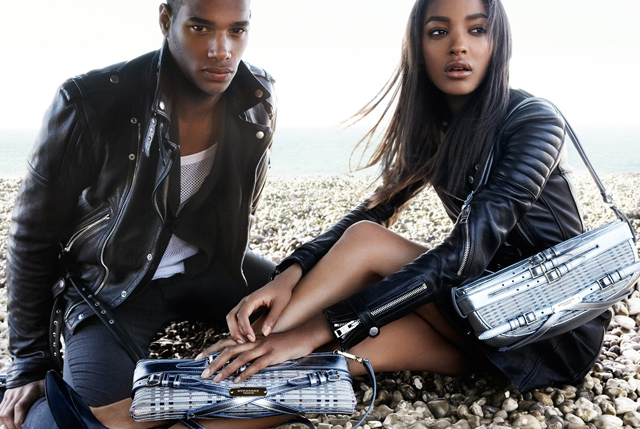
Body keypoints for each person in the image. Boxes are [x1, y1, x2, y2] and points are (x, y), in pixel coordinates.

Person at [199, 0, 611, 407]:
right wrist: (289, 273)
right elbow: (375, 209)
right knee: (305, 367)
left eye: (477, 29)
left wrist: (319, 328)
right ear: (418, 46)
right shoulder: (437, 127)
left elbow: (466, 253)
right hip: (478, 326)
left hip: (551, 329)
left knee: (362, 252)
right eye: (439, 31)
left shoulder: (535, 120)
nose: (458, 45)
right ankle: (195, 389)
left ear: (498, 42)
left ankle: (251, 344)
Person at [0, 0, 278, 428]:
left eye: (236, 31)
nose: (222, 50)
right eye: (201, 28)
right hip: (113, 286)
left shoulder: (256, 95)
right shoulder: (90, 102)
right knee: (80, 418)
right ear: (167, 20)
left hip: (212, 268)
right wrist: (29, 362)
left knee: (328, 311)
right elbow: (30, 234)